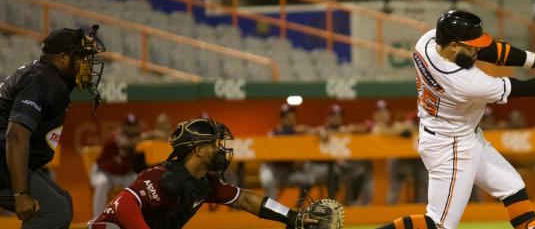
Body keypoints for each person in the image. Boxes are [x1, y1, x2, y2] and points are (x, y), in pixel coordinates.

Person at [373, 10, 535, 229]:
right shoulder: (464, 82)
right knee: (439, 223)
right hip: (451, 146)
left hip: (460, 134)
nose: (477, 49)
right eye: (471, 45)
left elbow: (491, 51)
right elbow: (522, 89)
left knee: (512, 188)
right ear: (453, 45)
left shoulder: (427, 42)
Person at [88, 118, 339, 229]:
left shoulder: (206, 183)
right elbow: (123, 204)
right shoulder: (160, 175)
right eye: (214, 144)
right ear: (197, 151)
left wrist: (293, 217)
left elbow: (246, 199)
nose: (220, 150)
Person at [0, 26, 106, 228]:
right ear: (63, 58)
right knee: (55, 210)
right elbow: (16, 136)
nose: (88, 65)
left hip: (4, 159)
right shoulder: (42, 80)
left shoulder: (46, 77)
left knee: (63, 200)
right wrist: (21, 193)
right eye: (82, 57)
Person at [258, 105, 321, 202]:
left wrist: (319, 132)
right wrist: (294, 130)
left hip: (289, 172)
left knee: (309, 179)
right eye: (287, 117)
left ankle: (299, 205)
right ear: (282, 120)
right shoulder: (273, 133)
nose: (291, 119)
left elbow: (313, 132)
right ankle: (273, 209)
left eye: (292, 117)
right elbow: (278, 137)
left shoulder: (299, 134)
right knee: (267, 180)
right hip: (273, 169)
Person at [91, 113, 141, 216]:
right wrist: (142, 138)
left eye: (134, 125)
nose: (131, 128)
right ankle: (96, 221)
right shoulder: (115, 136)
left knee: (139, 183)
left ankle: (135, 218)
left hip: (122, 174)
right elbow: (125, 143)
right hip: (103, 172)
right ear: (123, 126)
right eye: (129, 125)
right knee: (102, 183)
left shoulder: (138, 137)